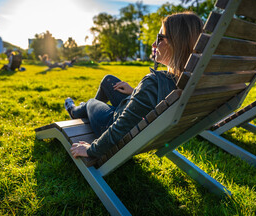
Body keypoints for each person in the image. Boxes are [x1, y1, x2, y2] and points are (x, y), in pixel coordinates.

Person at [66, 12, 203, 159]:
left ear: (176, 43)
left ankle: (76, 110)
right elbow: (156, 103)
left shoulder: (154, 81)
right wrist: (136, 92)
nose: (154, 44)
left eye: (160, 38)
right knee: (108, 80)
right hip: (141, 126)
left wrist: (90, 150)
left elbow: (120, 128)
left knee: (92, 103)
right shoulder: (189, 81)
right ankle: (83, 110)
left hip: (110, 125)